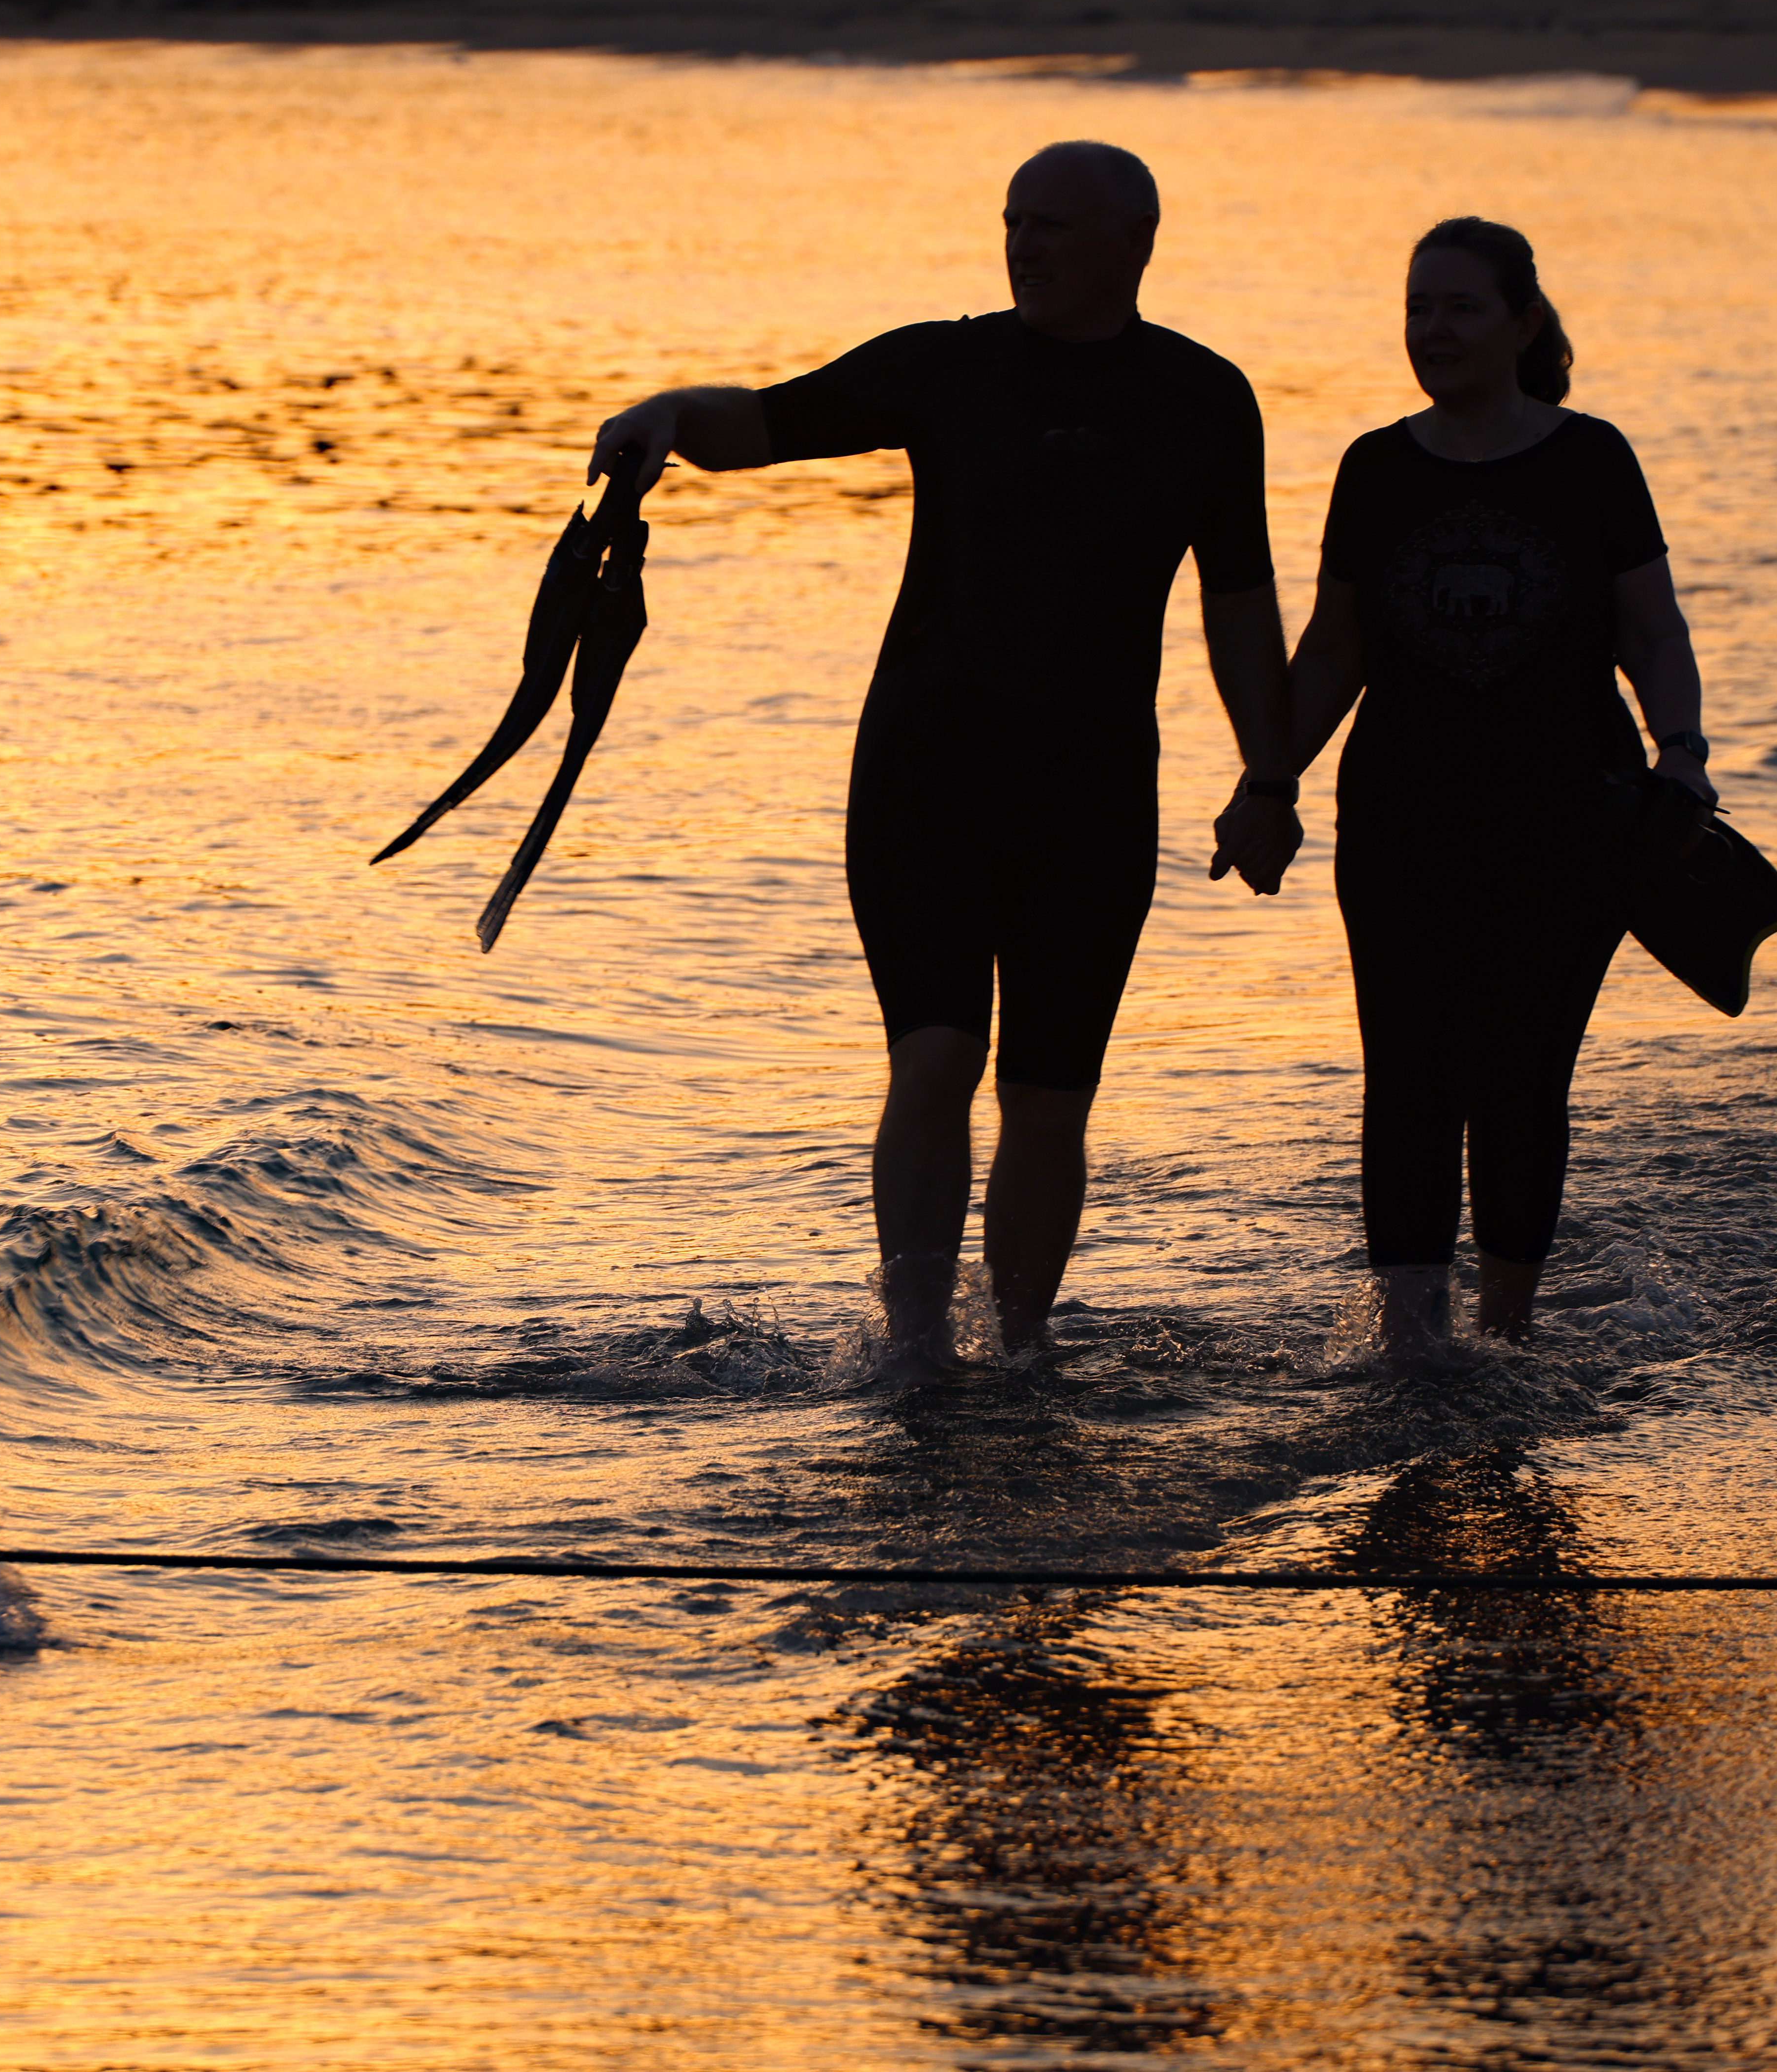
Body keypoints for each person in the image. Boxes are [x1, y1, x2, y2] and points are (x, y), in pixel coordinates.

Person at [589, 141, 1305, 1372]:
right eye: (1013, 220)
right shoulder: (948, 363)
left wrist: (1269, 774)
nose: (1024, 246)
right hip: (926, 771)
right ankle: (917, 1348)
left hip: (1088, 794)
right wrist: (662, 415)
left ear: (1134, 242)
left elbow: (1238, 601)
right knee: (932, 1057)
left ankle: (1018, 1346)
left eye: (1055, 226)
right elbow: (767, 420)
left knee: (1048, 1093)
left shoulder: (1202, 397)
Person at [1235, 216, 1711, 1358]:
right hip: (1400, 824)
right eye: (1416, 308)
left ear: (1522, 323)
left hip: (1570, 824)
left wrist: (1681, 752)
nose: (1431, 330)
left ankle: (1503, 1335)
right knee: (1406, 1068)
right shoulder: (1375, 467)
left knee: (1520, 1075)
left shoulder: (1592, 458)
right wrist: (1266, 779)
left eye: (1458, 307)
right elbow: (1333, 652)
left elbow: (1651, 628)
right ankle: (1411, 1343)